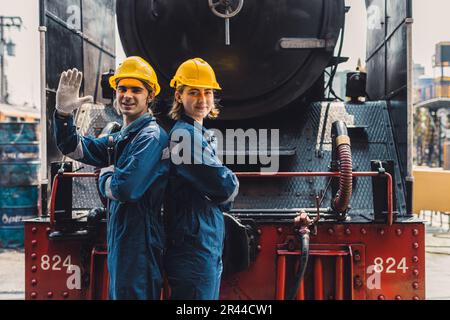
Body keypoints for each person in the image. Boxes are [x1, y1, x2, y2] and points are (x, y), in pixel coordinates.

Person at [53, 56, 170, 299]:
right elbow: (74, 147)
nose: (127, 95)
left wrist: (105, 175)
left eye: (136, 90)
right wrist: (63, 115)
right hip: (123, 235)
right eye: (122, 88)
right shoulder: (122, 137)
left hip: (140, 240)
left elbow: (126, 188)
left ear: (150, 96)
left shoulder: (150, 137)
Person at [164, 58, 239, 300]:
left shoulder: (197, 133)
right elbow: (224, 185)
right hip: (193, 245)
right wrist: (229, 184)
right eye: (193, 92)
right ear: (179, 96)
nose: (202, 99)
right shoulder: (184, 137)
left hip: (201, 239)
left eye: (207, 92)